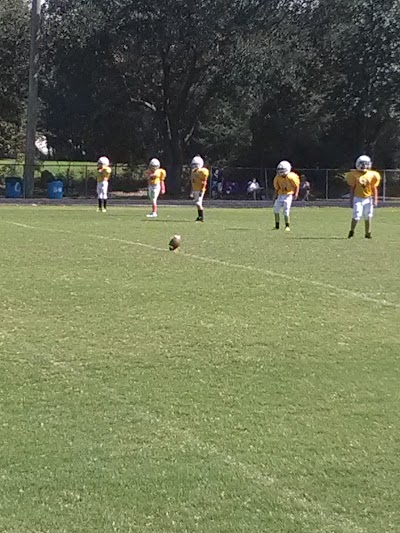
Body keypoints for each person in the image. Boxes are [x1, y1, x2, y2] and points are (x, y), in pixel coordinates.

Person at [347, 155, 381, 239]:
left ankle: (368, 233)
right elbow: (352, 188)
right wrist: (351, 200)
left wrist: (375, 199)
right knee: (356, 215)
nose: (364, 166)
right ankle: (351, 231)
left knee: (368, 216)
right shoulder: (353, 174)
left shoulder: (373, 174)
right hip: (357, 198)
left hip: (368, 198)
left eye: (365, 164)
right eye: (362, 164)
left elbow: (374, 188)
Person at [272, 160, 300, 232]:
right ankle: (277, 225)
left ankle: (287, 226)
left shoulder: (291, 177)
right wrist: (274, 196)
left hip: (288, 195)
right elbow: (276, 188)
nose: (281, 172)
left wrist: (296, 194)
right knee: (276, 210)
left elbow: (296, 186)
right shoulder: (277, 178)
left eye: (282, 170)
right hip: (280, 195)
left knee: (286, 211)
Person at [191, 155, 209, 221]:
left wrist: (202, 190)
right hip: (195, 189)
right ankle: (199, 217)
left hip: (200, 189)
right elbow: (193, 182)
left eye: (196, 164)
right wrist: (192, 191)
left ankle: (201, 217)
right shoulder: (193, 172)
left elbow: (204, 182)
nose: (194, 166)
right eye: (193, 164)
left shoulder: (202, 171)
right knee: (197, 203)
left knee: (198, 203)